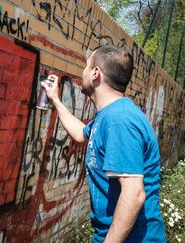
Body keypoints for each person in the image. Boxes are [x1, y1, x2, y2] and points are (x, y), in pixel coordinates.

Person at [42, 45, 166, 242]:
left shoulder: (119, 121)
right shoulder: (108, 116)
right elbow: (81, 134)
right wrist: (55, 99)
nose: (82, 71)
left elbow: (134, 194)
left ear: (95, 73)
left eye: (86, 66)